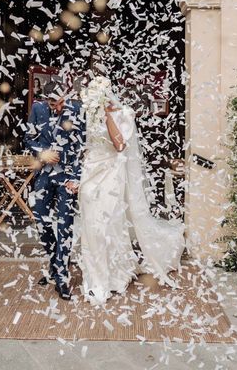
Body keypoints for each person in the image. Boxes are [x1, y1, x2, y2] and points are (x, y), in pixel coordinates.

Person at [77, 76, 185, 305]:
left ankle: (115, 274)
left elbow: (120, 146)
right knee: (91, 226)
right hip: (90, 175)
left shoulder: (123, 114)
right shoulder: (89, 116)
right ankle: (94, 276)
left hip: (111, 176)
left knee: (108, 224)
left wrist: (107, 115)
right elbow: (87, 145)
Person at [24, 81, 84, 300]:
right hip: (43, 177)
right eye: (51, 103)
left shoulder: (77, 110)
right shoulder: (38, 109)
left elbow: (82, 146)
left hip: (67, 178)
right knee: (42, 222)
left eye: (59, 103)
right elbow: (28, 139)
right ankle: (55, 265)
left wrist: (76, 177)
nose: (55, 107)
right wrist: (43, 153)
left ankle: (62, 277)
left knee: (65, 225)